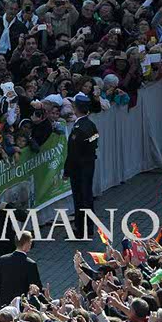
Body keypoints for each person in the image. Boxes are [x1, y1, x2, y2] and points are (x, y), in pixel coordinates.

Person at [63, 93, 99, 238]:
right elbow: (95, 139)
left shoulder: (78, 129)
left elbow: (73, 153)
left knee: (80, 199)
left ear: (76, 108)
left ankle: (81, 230)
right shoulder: (91, 125)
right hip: (89, 165)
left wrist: (67, 171)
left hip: (79, 169)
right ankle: (88, 228)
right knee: (87, 197)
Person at [0, 231, 42, 308]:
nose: (31, 244)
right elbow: (36, 287)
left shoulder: (2, 260)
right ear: (26, 243)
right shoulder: (30, 264)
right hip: (22, 305)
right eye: (30, 242)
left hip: (4, 304)